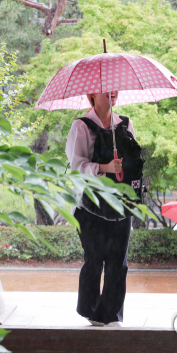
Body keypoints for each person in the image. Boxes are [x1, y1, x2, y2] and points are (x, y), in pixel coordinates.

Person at [65, 91, 143, 327]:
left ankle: (110, 315)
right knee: (95, 260)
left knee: (119, 262)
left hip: (121, 204)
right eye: (105, 88)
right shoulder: (81, 127)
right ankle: (90, 310)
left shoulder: (126, 124)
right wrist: (105, 167)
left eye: (115, 88)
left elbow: (133, 162)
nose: (112, 92)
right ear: (91, 94)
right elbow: (76, 167)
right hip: (90, 206)